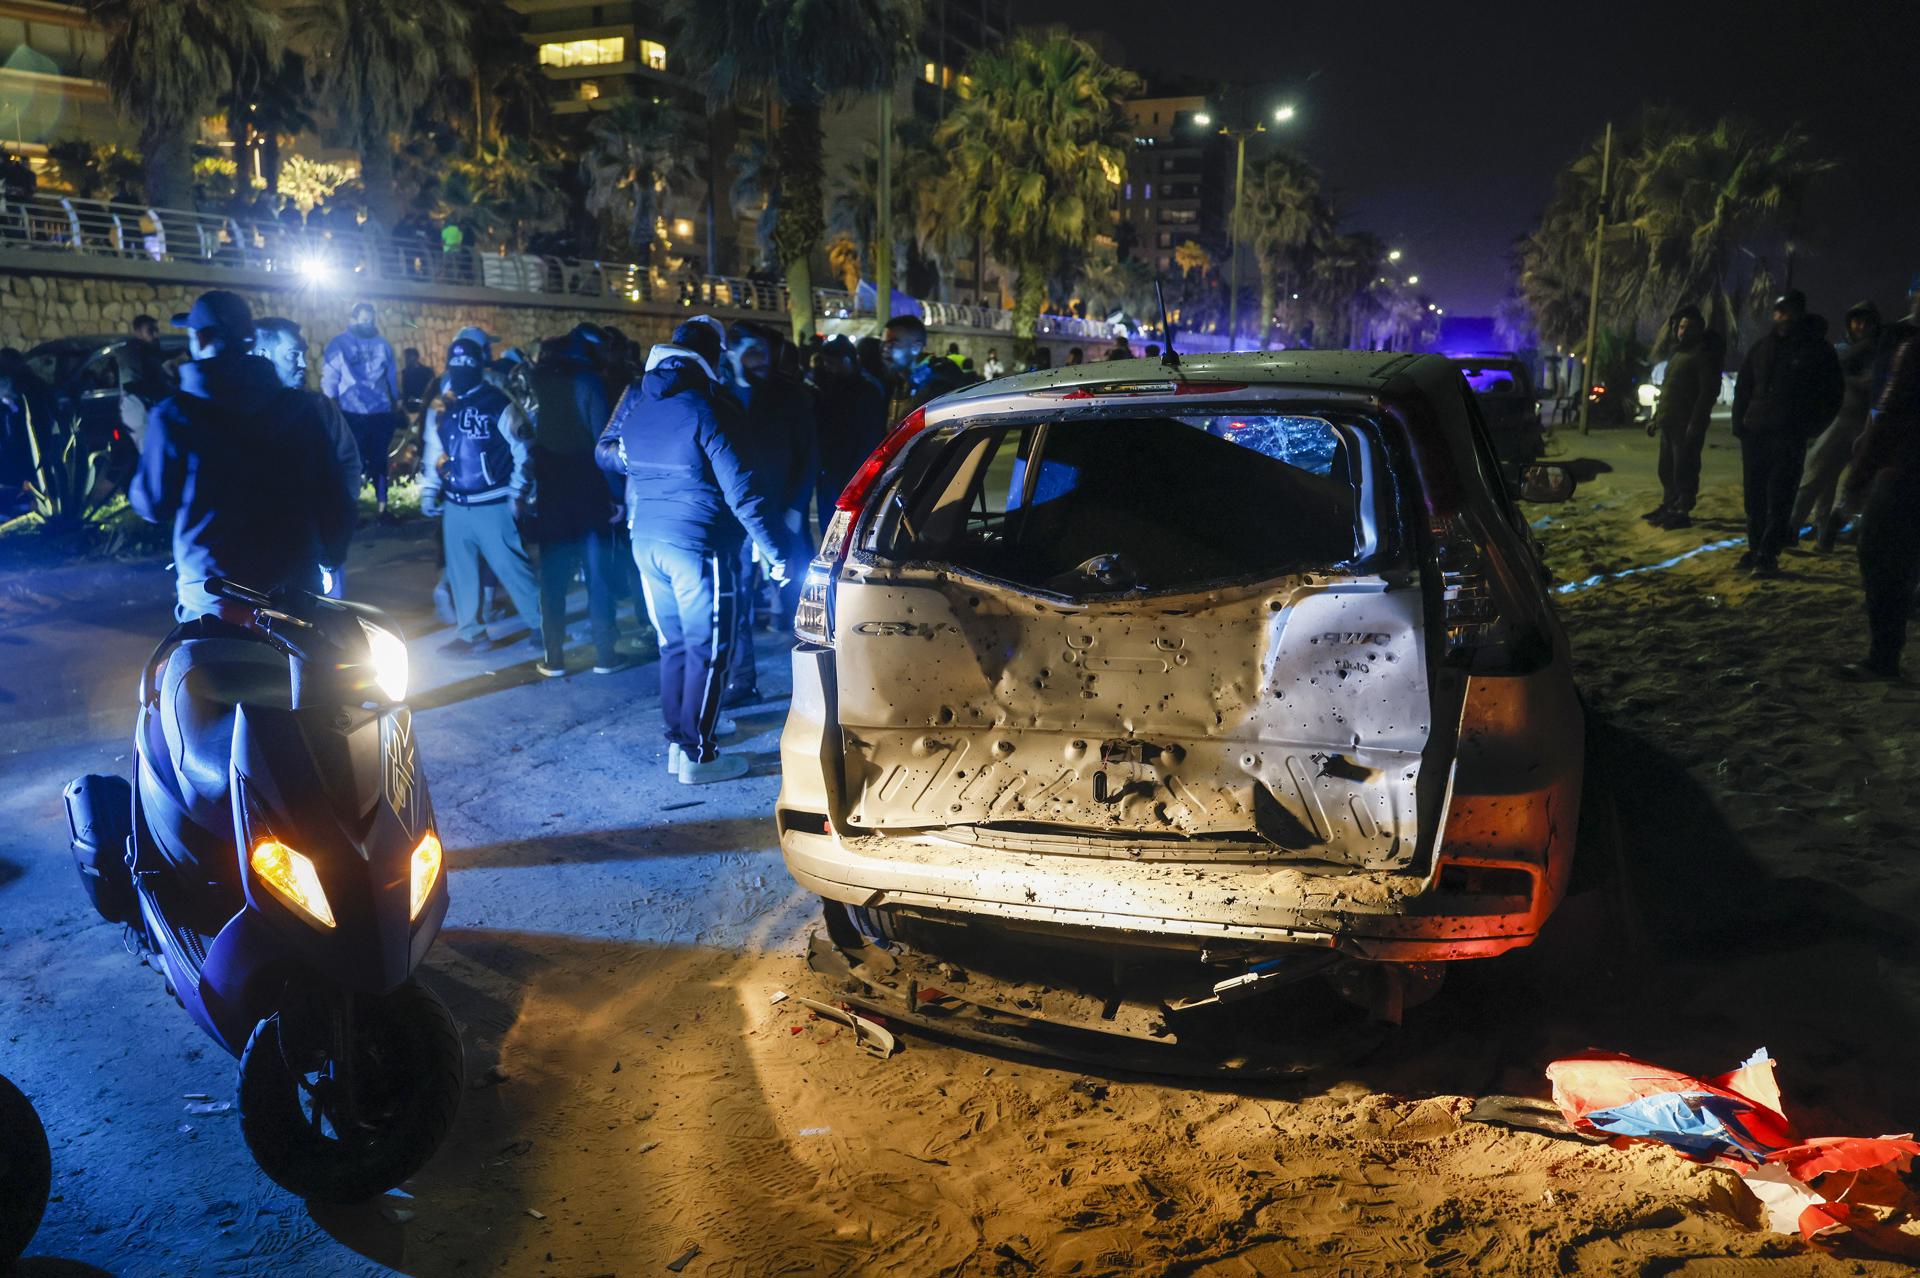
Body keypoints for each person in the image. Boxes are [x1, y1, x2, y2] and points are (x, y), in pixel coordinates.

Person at [596, 318, 791, 783]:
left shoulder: (641, 406)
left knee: (676, 647)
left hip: (647, 543)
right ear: (712, 360)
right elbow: (742, 490)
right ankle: (699, 756)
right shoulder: (705, 407)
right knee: (710, 649)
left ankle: (679, 743)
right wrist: (775, 551)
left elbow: (612, 453)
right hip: (700, 545)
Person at [129, 291, 355, 620]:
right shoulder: (300, 410)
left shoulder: (175, 415)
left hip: (213, 600)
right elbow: (334, 500)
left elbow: (152, 503)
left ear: (201, 337)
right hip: (292, 595)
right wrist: (330, 556)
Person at [420, 337, 543, 653]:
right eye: (455, 364)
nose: (460, 370)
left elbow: (525, 450)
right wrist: (431, 488)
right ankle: (471, 634)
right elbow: (435, 449)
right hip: (456, 502)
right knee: (461, 572)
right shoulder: (443, 406)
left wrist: (517, 492)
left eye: (467, 363)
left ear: (478, 366)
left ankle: (543, 625)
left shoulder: (498, 404)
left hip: (493, 502)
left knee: (512, 567)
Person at [721, 321, 818, 705]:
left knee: (800, 596)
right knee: (738, 598)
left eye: (765, 352)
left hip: (782, 512)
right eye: (753, 352)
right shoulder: (721, 392)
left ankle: (812, 677)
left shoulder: (788, 395)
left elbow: (808, 456)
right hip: (737, 516)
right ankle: (742, 681)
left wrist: (795, 509)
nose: (763, 361)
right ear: (733, 352)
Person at [527, 324, 625, 676]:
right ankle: (605, 656)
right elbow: (603, 442)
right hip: (589, 490)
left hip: (552, 491)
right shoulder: (589, 382)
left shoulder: (538, 379)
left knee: (552, 578)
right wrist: (616, 495)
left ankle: (554, 658)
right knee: (597, 574)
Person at [1730, 291, 1843, 577]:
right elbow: (1744, 386)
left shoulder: (1817, 350)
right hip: (1756, 433)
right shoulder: (1762, 347)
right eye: (1779, 311)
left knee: (1780, 496)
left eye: (1789, 311)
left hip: (1789, 434)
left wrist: (1810, 427)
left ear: (1800, 313)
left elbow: (1832, 394)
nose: (1783, 317)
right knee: (1754, 495)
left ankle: (1768, 554)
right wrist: (1739, 423)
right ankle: (1755, 548)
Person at [252, 317, 363, 596]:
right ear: (263, 355)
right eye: (293, 355)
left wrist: (333, 531)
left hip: (316, 552)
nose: (303, 363)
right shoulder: (239, 411)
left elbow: (348, 462)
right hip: (260, 557)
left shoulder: (319, 407)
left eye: (303, 354)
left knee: (328, 628)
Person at [1837, 331, 1920, 680]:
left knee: (1880, 557)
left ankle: (1884, 657)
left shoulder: (1912, 350)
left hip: (1905, 469)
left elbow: (1891, 413)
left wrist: (1857, 481)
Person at [1791, 301, 1882, 551]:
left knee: (1859, 489)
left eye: (1866, 322)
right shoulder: (1844, 350)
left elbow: (1871, 383)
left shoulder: (1881, 354)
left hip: (1868, 426)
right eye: (1857, 320)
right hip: (1840, 421)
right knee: (1815, 479)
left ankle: (1832, 536)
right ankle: (1792, 530)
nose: (1861, 326)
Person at [321, 301, 402, 523]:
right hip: (351, 413)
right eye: (364, 320)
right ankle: (351, 511)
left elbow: (391, 377)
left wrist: (396, 401)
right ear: (353, 319)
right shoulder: (339, 344)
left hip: (379, 412)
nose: (368, 324)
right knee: (351, 463)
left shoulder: (383, 345)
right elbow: (330, 378)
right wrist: (331, 407)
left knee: (379, 462)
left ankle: (382, 509)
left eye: (371, 320)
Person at [1641, 306, 1722, 530]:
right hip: (1669, 422)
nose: (1682, 331)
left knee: (1684, 469)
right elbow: (1668, 390)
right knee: (1666, 468)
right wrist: (1655, 419)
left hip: (1686, 425)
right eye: (1680, 327)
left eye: (1687, 327)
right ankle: (1669, 505)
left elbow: (1708, 393)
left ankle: (1682, 509)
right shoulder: (1677, 354)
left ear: (1699, 329)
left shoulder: (1703, 355)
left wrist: (1695, 423)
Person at [812, 334, 889, 532]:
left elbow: (869, 437)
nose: (828, 368)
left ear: (846, 360)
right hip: (833, 471)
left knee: (846, 530)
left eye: (831, 363)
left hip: (851, 473)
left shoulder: (867, 390)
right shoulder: (833, 385)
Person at [879, 313, 973, 424]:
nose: (884, 349)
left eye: (892, 343)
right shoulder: (902, 381)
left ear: (916, 348)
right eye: (883, 343)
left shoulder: (941, 384)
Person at [0, 349, 56, 521]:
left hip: (30, 452)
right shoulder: (31, 386)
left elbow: (36, 429)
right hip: (21, 452)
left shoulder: (29, 391)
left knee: (34, 482)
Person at [115, 314, 175, 453]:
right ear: (138, 333)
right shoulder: (130, 353)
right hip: (141, 414)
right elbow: (132, 385)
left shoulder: (152, 350)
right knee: (150, 455)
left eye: (155, 329)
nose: (155, 333)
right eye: (150, 330)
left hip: (153, 413)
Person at [399, 346, 437, 419]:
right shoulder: (428, 371)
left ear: (414, 357)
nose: (405, 360)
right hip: (423, 405)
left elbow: (407, 393)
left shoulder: (426, 372)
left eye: (407, 357)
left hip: (417, 406)